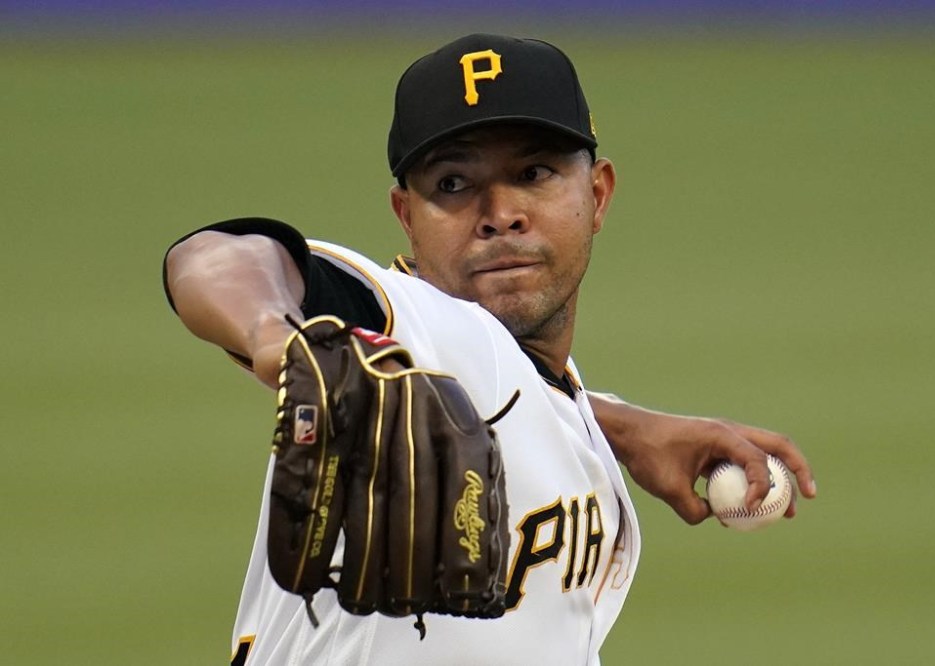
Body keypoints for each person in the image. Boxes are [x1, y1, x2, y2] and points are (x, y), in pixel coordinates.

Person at [163, 33, 816, 666]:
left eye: (533, 173)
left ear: (597, 195)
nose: (500, 212)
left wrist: (616, 425)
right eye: (453, 183)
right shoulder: (414, 324)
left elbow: (509, 394)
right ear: (406, 216)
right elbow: (216, 256)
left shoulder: (526, 382)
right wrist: (276, 338)